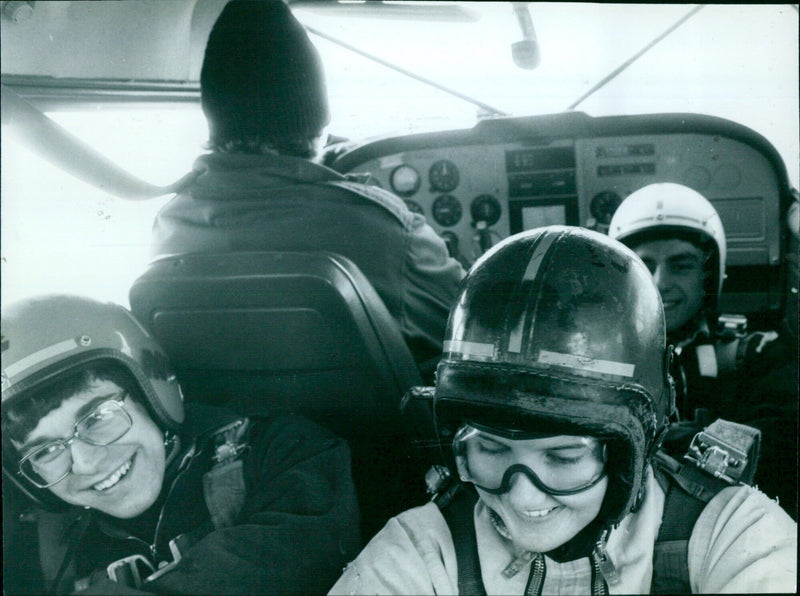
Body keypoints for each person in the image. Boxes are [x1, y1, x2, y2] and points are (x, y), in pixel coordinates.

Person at [329, 226, 796, 595]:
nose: (524, 498)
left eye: (564, 457)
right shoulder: (419, 548)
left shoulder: (736, 536)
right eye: (490, 447)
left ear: (634, 444)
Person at [150, 0, 465, 382]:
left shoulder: (169, 224)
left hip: (242, 440)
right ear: (317, 125)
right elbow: (470, 333)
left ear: (216, 118)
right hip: (375, 441)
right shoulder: (385, 229)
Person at [1, 295, 361, 595]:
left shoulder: (285, 451)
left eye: (97, 417)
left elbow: (297, 564)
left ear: (152, 393)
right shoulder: (48, 542)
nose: (86, 463)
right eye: (45, 450)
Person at [608, 183, 798, 517]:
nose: (659, 281)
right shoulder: (598, 358)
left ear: (707, 277)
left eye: (681, 265)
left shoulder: (756, 352)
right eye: (644, 264)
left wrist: (680, 445)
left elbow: (782, 438)